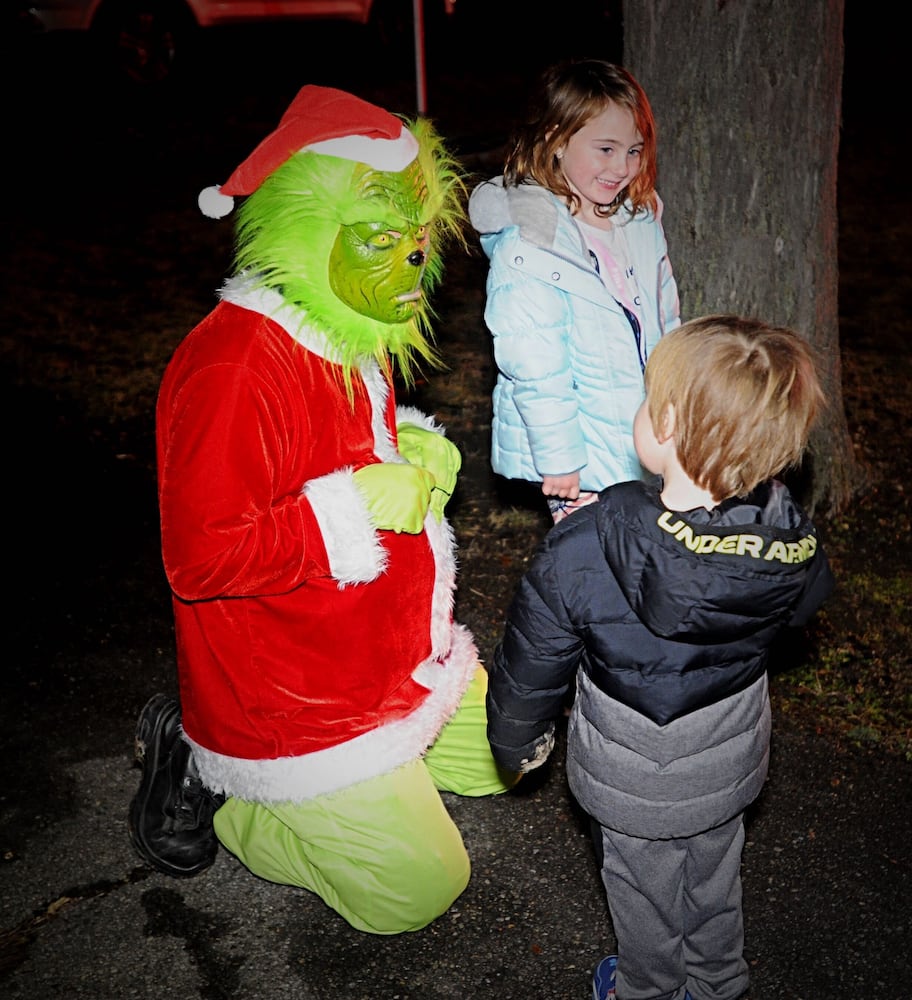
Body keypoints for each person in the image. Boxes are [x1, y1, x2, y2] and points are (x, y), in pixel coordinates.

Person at [127, 84, 519, 935]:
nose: (419, 268)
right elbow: (200, 557)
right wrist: (350, 504)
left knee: (505, 759)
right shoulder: (234, 369)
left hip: (388, 655)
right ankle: (224, 788)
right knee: (415, 892)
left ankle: (382, 786)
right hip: (293, 698)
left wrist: (410, 451)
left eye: (422, 243)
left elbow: (335, 453)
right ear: (310, 233)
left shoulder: (345, 325)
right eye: (385, 242)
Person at [485, 315, 835, 999]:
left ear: (666, 426)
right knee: (712, 876)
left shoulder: (587, 540)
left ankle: (643, 990)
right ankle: (718, 983)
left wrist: (514, 740)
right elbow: (800, 609)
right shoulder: (790, 541)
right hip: (727, 754)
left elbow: (534, 658)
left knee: (643, 893)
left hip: (631, 770)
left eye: (647, 398)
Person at [468, 58, 681, 524]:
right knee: (596, 570)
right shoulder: (530, 243)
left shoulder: (639, 221)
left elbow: (668, 320)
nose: (621, 167)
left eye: (634, 151)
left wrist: (676, 402)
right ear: (557, 142)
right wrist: (561, 456)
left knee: (647, 563)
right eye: (605, 149)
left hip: (644, 434)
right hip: (581, 457)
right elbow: (533, 363)